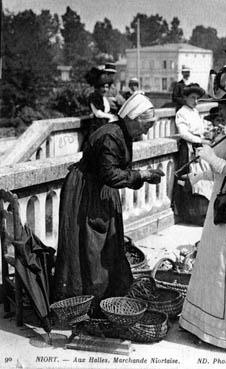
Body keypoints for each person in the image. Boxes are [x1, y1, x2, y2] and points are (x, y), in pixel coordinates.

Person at [53, 92, 165, 312]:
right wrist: (141, 175)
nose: (147, 131)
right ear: (133, 119)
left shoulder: (123, 134)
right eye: (146, 125)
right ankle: (87, 302)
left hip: (99, 189)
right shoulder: (111, 137)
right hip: (85, 191)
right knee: (90, 246)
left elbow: (115, 172)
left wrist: (142, 175)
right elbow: (111, 175)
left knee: (105, 245)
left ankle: (104, 297)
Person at [179, 92, 226, 350]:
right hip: (220, 209)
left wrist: (211, 157)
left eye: (225, 106)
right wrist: (197, 176)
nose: (220, 111)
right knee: (213, 262)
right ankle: (205, 324)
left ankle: (224, 332)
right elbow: (219, 168)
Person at [174, 83, 213, 225]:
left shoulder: (195, 112)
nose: (195, 101)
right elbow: (183, 133)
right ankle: (190, 213)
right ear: (185, 98)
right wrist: (199, 140)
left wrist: (206, 135)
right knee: (190, 179)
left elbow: (200, 129)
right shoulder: (181, 112)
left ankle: (202, 212)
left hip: (199, 147)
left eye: (197, 98)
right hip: (188, 148)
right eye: (192, 98)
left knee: (203, 177)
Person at [86, 69, 117, 135]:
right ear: (98, 86)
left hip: (105, 127)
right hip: (97, 128)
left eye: (107, 87)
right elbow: (98, 113)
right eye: (103, 87)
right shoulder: (93, 96)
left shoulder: (104, 98)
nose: (105, 89)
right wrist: (111, 116)